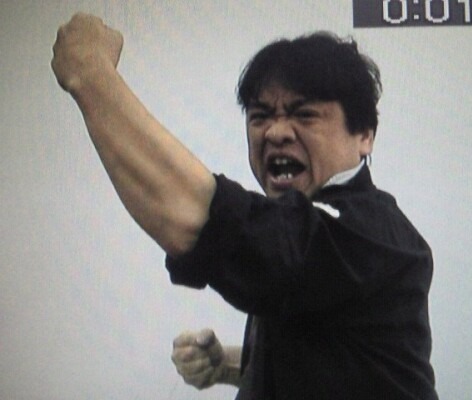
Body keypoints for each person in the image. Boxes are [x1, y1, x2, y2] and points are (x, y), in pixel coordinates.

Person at [52, 13, 438, 399]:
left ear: (365, 135)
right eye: (260, 116)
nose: (276, 132)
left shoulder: (366, 230)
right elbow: (341, 358)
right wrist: (231, 365)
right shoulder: (313, 233)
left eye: (305, 115)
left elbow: (197, 220)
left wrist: (90, 73)